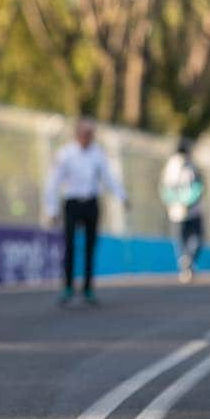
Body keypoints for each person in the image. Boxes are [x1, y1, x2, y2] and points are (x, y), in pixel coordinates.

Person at [45, 119, 128, 303]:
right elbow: (53, 182)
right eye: (84, 134)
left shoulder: (97, 154)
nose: (87, 138)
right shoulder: (66, 154)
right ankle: (68, 286)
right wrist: (51, 208)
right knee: (70, 245)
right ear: (77, 135)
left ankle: (88, 287)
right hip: (72, 202)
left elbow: (108, 178)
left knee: (90, 246)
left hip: (91, 202)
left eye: (90, 134)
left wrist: (122, 196)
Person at [160, 138, 205, 284]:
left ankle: (186, 263)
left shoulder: (170, 167)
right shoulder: (189, 166)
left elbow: (164, 190)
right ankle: (188, 261)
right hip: (187, 210)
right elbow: (199, 187)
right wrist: (186, 201)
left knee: (183, 241)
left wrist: (176, 202)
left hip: (179, 211)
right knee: (194, 239)